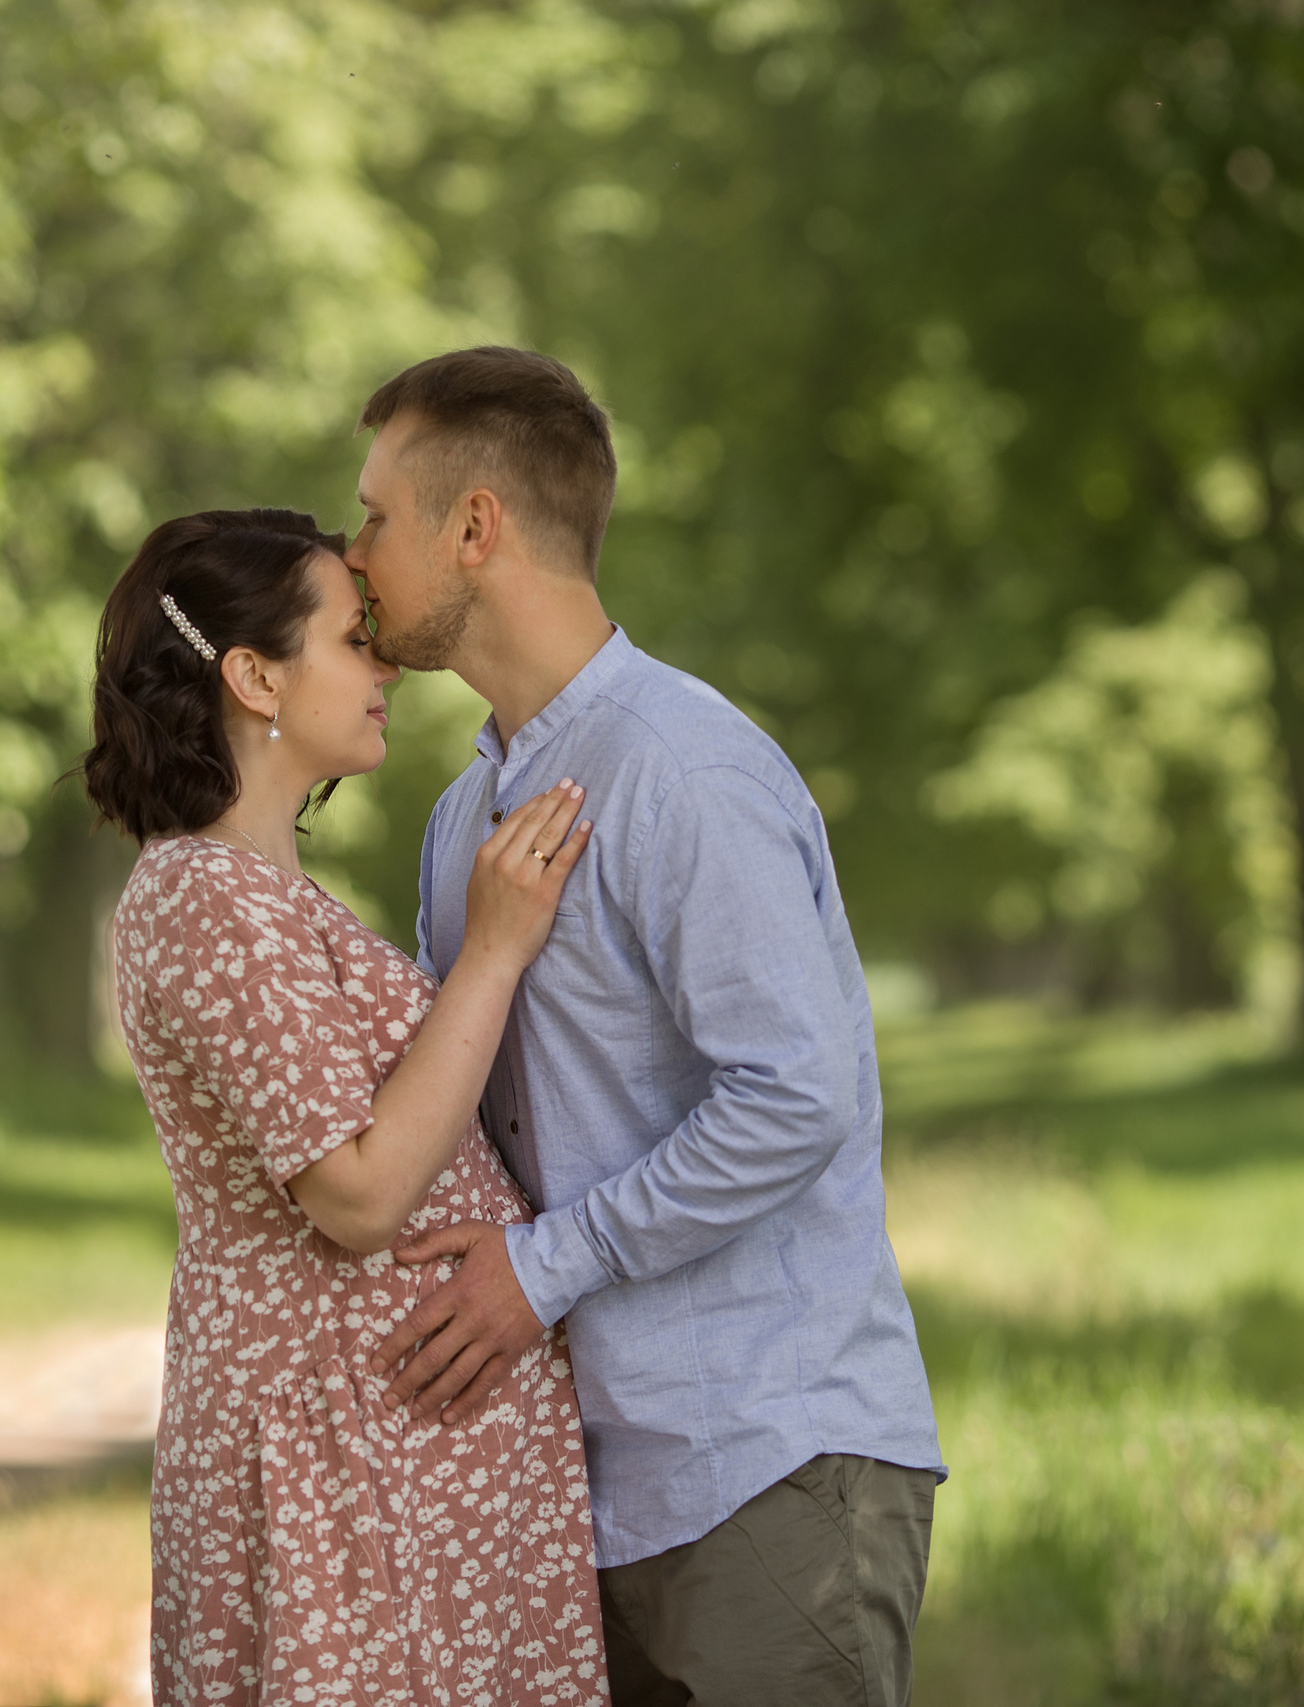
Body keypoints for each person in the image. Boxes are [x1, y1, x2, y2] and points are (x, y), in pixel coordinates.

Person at [347, 349, 948, 1707]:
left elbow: (798, 1096)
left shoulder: (683, 766)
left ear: (477, 528)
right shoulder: (463, 821)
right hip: (587, 1488)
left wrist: (544, 1266)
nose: (355, 550)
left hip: (768, 1459)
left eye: (378, 515)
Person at [82, 507, 609, 1706]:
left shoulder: (264, 894)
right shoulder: (203, 901)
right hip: (332, 1462)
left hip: (391, 1453)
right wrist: (494, 952)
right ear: (255, 675)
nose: (385, 671)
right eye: (351, 641)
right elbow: (359, 1195)